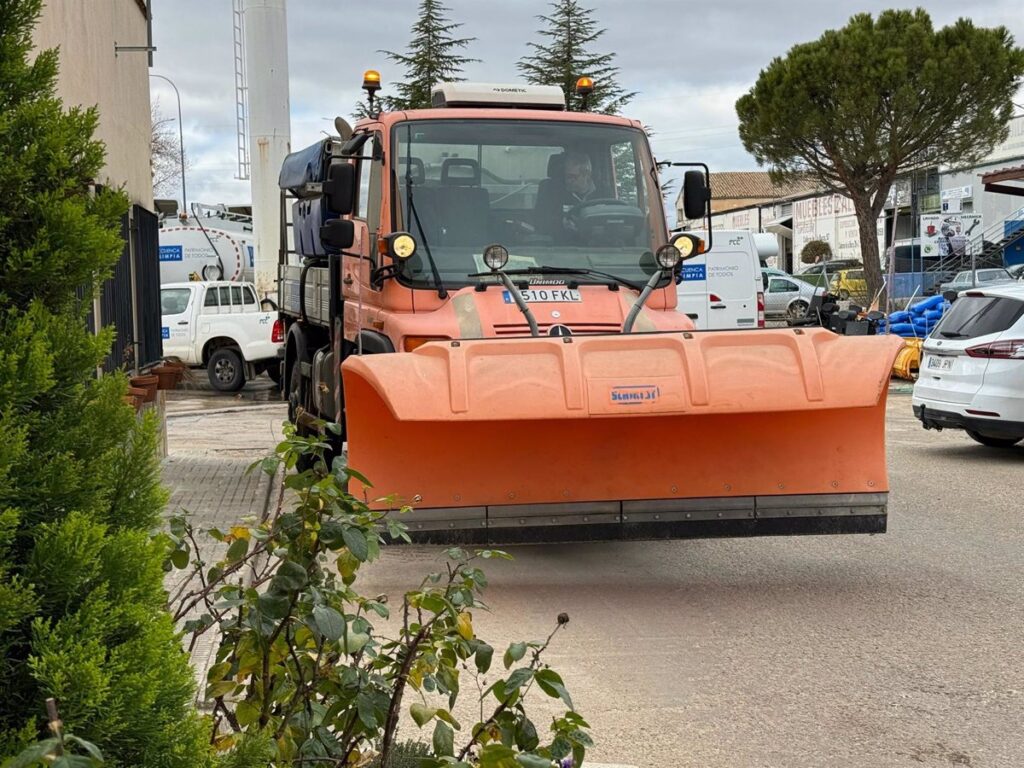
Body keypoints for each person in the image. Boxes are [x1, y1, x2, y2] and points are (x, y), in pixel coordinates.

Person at [534, 150, 604, 240]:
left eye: (572, 177)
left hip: (599, 248)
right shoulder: (554, 193)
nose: (567, 181)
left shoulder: (604, 193)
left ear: (586, 174)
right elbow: (541, 223)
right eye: (566, 176)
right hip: (562, 247)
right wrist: (562, 224)